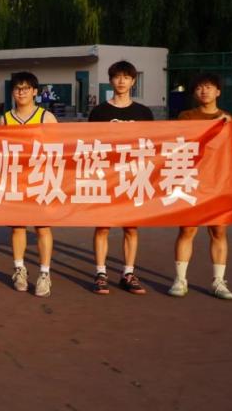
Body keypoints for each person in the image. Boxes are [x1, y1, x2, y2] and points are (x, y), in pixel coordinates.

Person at [169, 73, 232, 300]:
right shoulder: (186, 117)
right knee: (187, 230)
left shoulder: (229, 121)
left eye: (209, 87)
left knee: (218, 231)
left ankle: (218, 281)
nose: (204, 91)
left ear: (218, 92)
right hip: (192, 184)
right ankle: (180, 279)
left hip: (221, 184)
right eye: (199, 88)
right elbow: (173, 148)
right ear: (194, 92)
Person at [87, 60, 153, 295]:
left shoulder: (144, 113)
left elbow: (153, 145)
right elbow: (89, 144)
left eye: (126, 77)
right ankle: (100, 273)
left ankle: (128, 273)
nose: (121, 81)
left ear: (133, 81)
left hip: (133, 176)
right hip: (106, 176)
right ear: (111, 80)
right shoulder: (99, 112)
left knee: (131, 227)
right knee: (102, 226)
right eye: (117, 77)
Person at [1, 72, 58, 298]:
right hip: (16, 180)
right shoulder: (6, 119)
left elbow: (59, 150)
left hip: (41, 179)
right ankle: (19, 269)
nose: (21, 92)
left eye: (26, 88)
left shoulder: (46, 117)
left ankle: (44, 273)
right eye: (17, 88)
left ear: (35, 91)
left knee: (42, 227)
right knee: (18, 226)